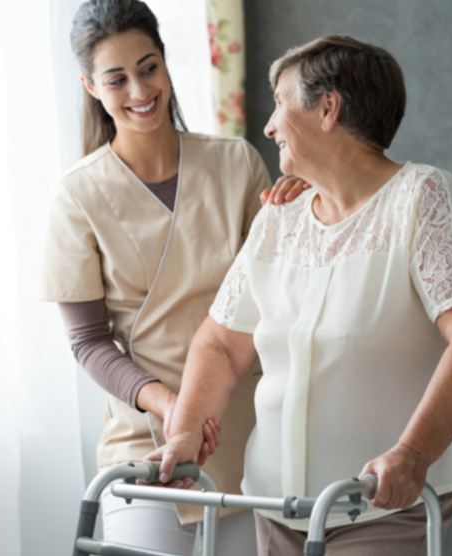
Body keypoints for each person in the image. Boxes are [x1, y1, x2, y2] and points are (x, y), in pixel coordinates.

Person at [148, 35, 452, 556]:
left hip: (382, 502)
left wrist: (412, 455)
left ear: (328, 108)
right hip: (275, 505)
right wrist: (184, 431)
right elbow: (222, 346)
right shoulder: (280, 217)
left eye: (281, 102)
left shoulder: (419, 197)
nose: (270, 125)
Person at [38, 1, 309, 555]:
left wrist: (303, 208)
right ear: (91, 87)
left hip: (242, 438)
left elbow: (283, 296)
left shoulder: (236, 164)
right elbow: (89, 342)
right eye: (117, 78)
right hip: (144, 445)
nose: (140, 90)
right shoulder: (76, 196)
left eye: (149, 67)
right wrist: (169, 403)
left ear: (164, 62)